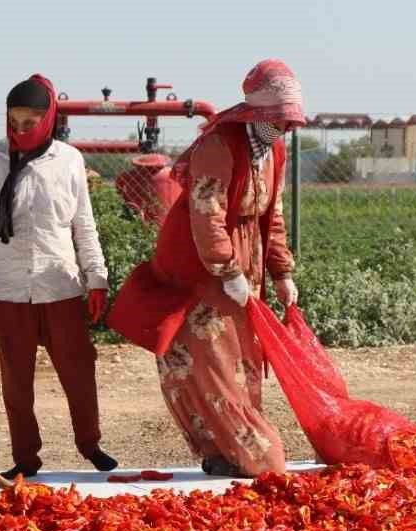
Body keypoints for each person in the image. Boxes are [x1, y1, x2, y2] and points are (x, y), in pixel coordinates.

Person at [107, 59, 303, 478]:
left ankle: (232, 451)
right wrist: (226, 270)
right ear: (258, 115)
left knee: (242, 360)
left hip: (245, 263)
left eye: (289, 122)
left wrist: (282, 272)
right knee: (209, 362)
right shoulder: (220, 145)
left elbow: (274, 214)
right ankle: (237, 451)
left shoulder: (274, 150)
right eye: (279, 121)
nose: (286, 130)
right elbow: (206, 212)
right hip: (199, 266)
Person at [0, 74, 117, 481]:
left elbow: (84, 225)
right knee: (16, 378)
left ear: (48, 120)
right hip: (9, 286)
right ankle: (25, 458)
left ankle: (91, 444)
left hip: (60, 281)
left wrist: (96, 277)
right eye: (15, 122)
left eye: (31, 122)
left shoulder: (69, 160)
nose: (22, 130)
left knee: (78, 369)